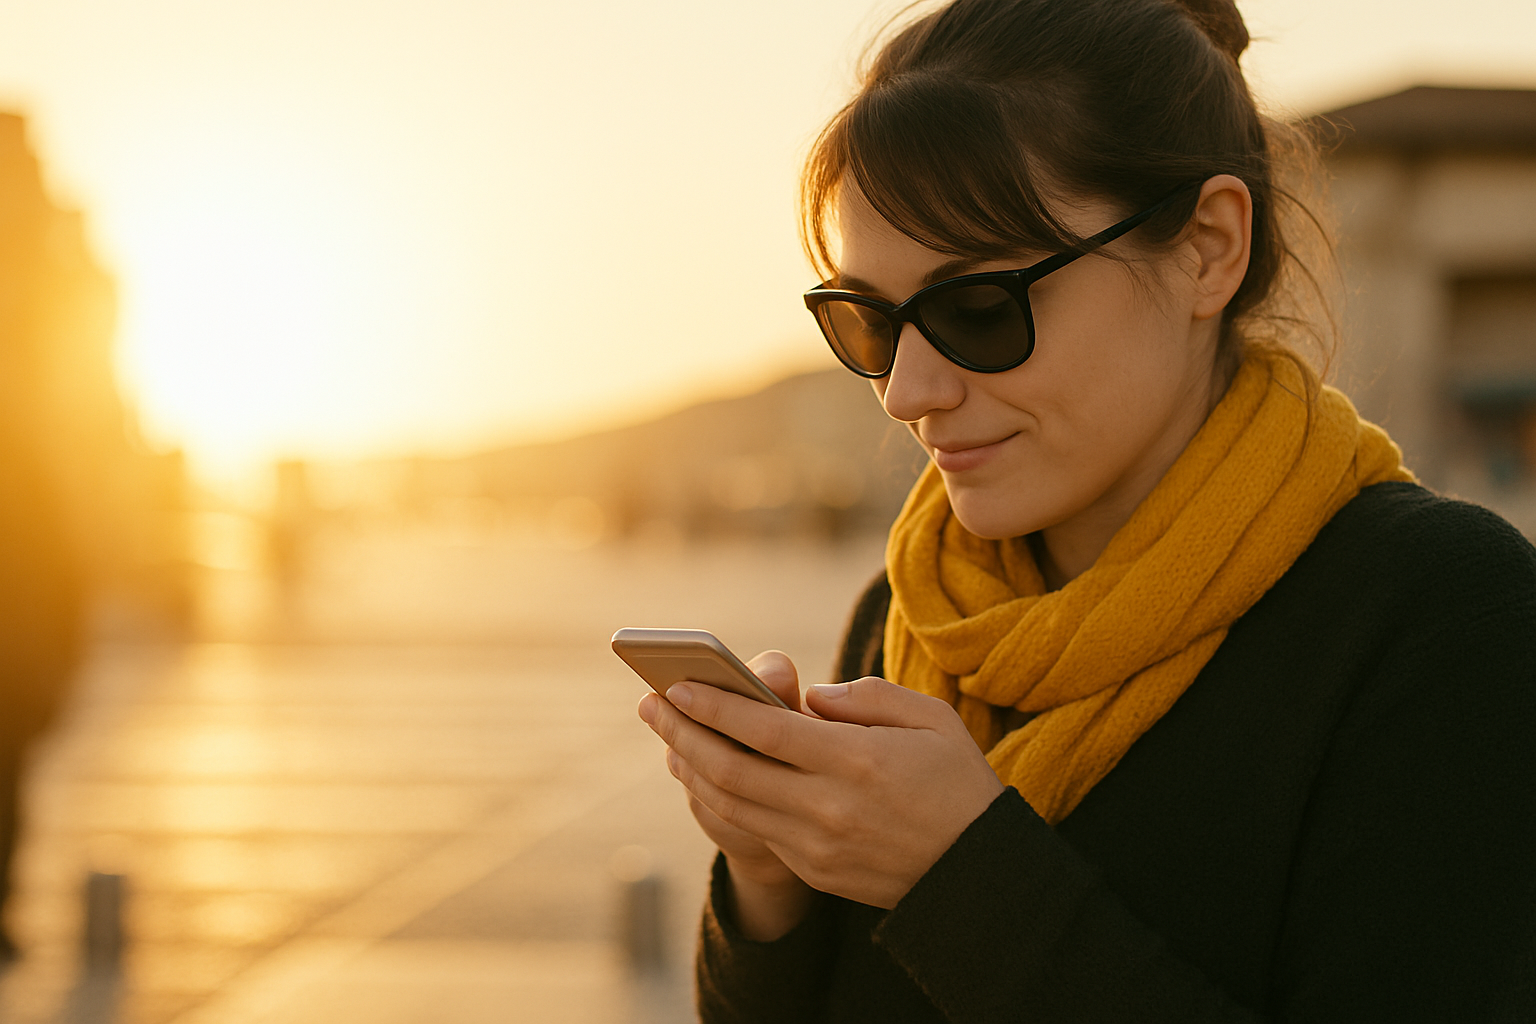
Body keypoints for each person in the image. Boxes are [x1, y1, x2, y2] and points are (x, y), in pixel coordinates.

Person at [636, 0, 1536, 1020]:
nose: (907, 390)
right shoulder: (915, 611)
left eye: (977, 305)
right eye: (871, 322)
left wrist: (963, 878)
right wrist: (770, 879)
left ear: (1207, 248)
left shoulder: (1441, 620)